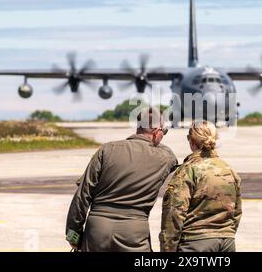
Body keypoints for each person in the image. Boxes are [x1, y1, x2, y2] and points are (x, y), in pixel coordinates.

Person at [65, 107, 178, 252]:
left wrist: (73, 233)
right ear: (157, 132)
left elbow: (83, 195)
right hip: (134, 231)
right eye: (164, 132)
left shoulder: (107, 149)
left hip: (97, 229)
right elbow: (171, 156)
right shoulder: (165, 157)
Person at [160, 121, 242, 252]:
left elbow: (174, 213)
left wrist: (167, 249)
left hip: (195, 242)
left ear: (191, 141)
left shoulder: (188, 171)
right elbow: (236, 212)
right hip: (227, 242)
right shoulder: (229, 170)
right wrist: (226, 233)